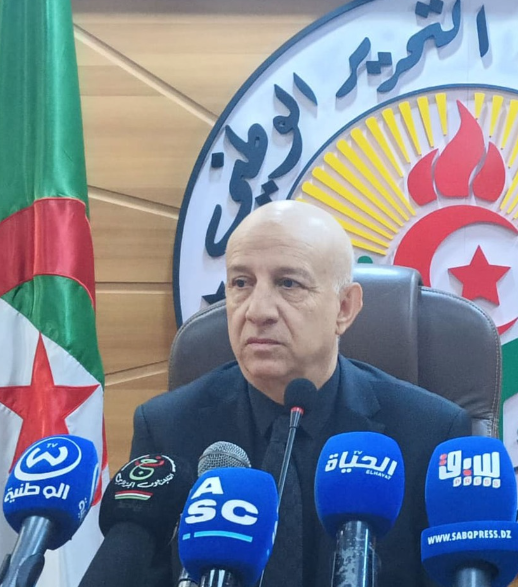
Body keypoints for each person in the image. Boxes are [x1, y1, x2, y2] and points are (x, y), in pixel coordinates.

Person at [115, 200, 471, 587]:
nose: (258, 311)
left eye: (288, 283)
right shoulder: (167, 428)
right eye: (241, 283)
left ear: (345, 308)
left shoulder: (429, 433)